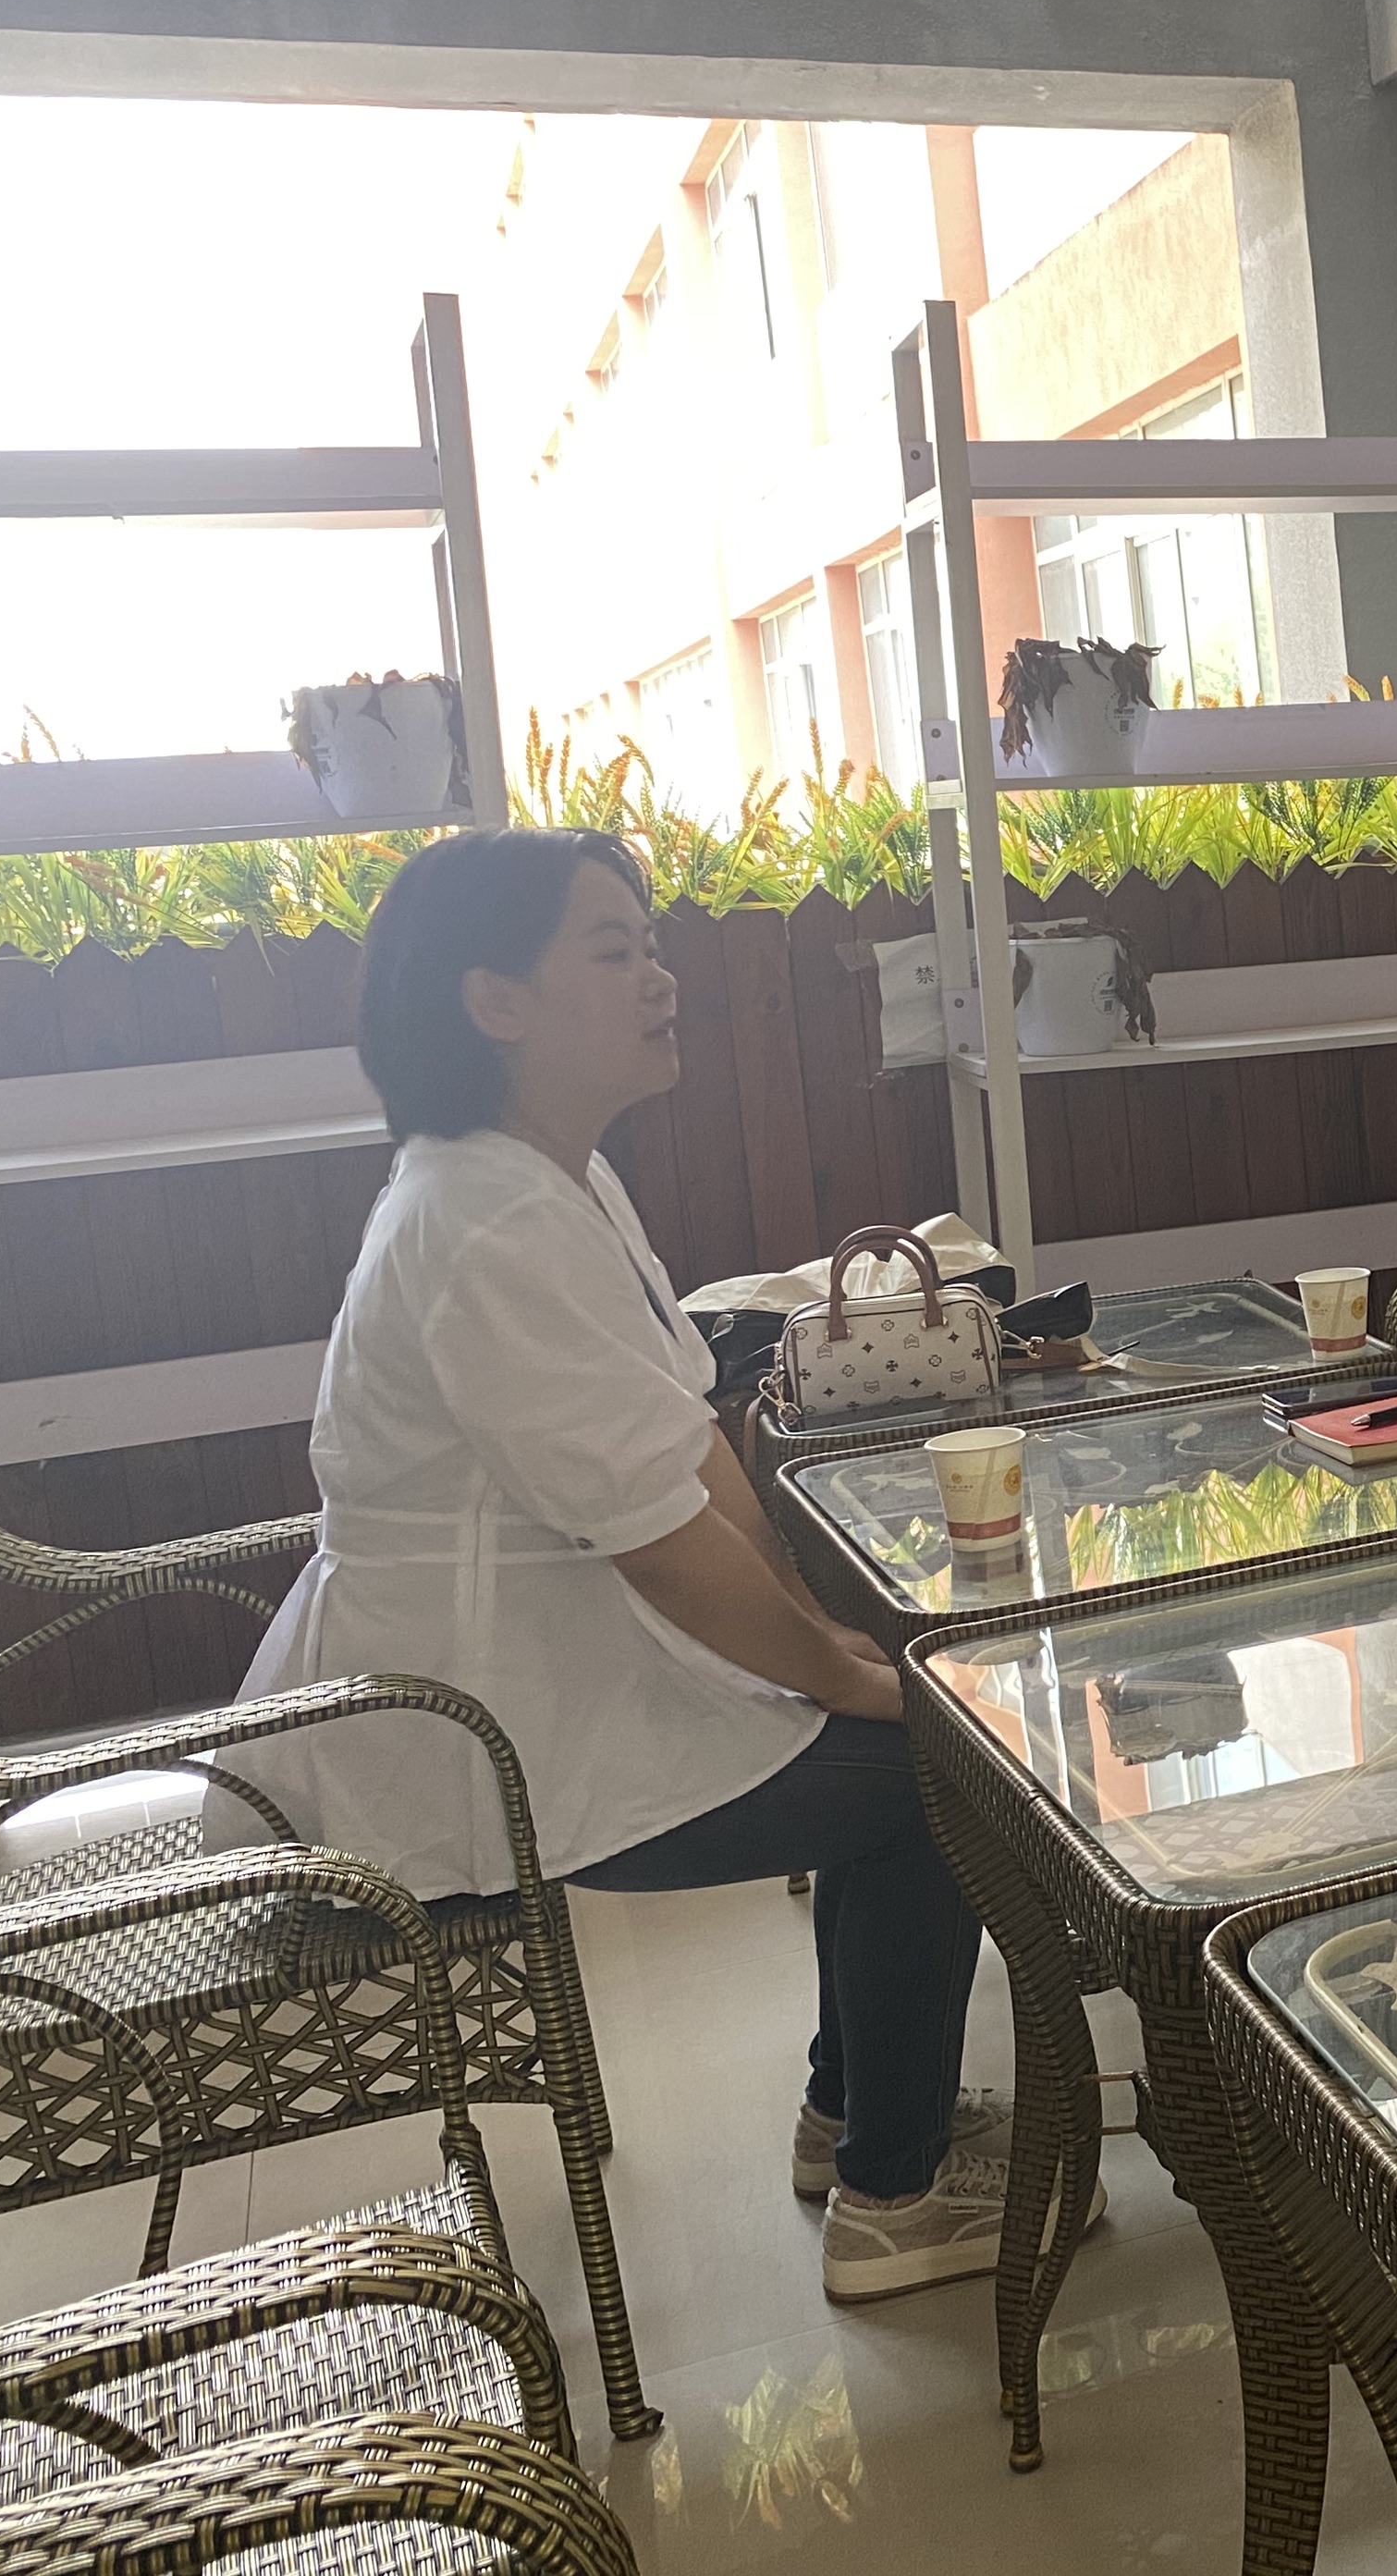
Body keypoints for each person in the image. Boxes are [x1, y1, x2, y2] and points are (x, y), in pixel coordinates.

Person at [222, 828, 1066, 2304]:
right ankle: (896, 2196)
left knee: (878, 1726)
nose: (661, 979)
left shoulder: (549, 1179)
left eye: (653, 944)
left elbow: (692, 1446)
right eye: (613, 951)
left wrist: (822, 1637)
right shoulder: (484, 1220)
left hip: (543, 1667)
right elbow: (660, 1543)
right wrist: (842, 1682)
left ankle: (851, 2115)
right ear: (495, 1001)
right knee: (931, 1774)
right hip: (469, 1733)